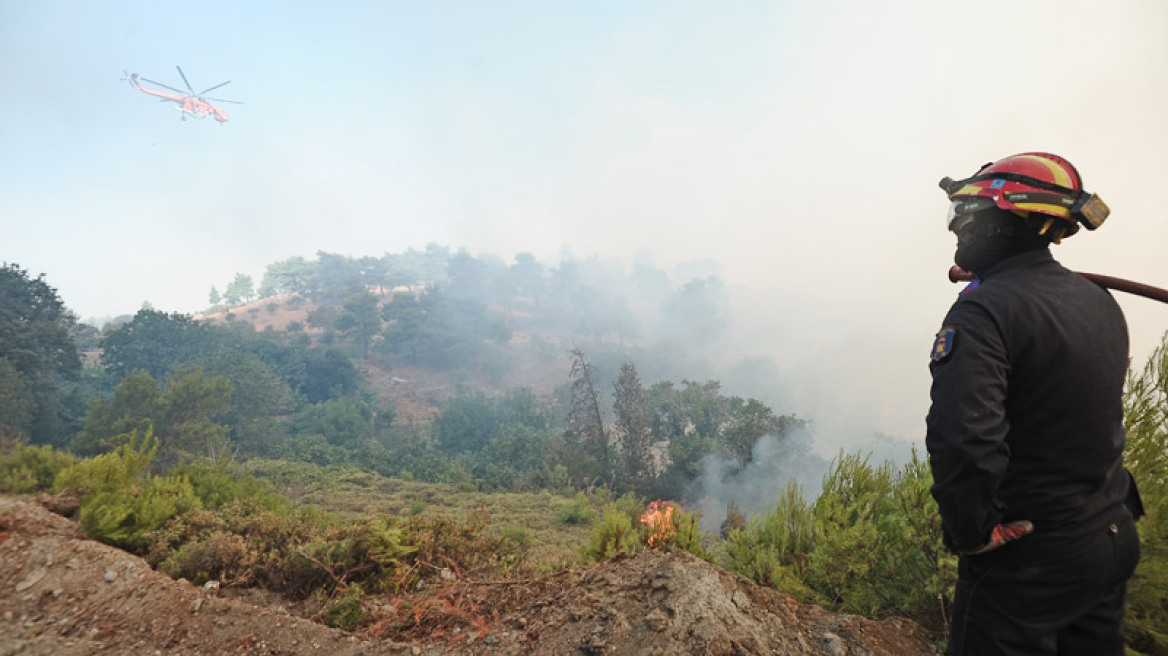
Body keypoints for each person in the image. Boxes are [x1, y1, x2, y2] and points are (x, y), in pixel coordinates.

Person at [926, 152, 1143, 655]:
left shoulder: (982, 311)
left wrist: (972, 531)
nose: (957, 229)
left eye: (968, 215)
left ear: (1004, 222)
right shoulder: (1098, 301)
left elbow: (964, 438)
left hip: (1032, 561)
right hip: (1110, 536)